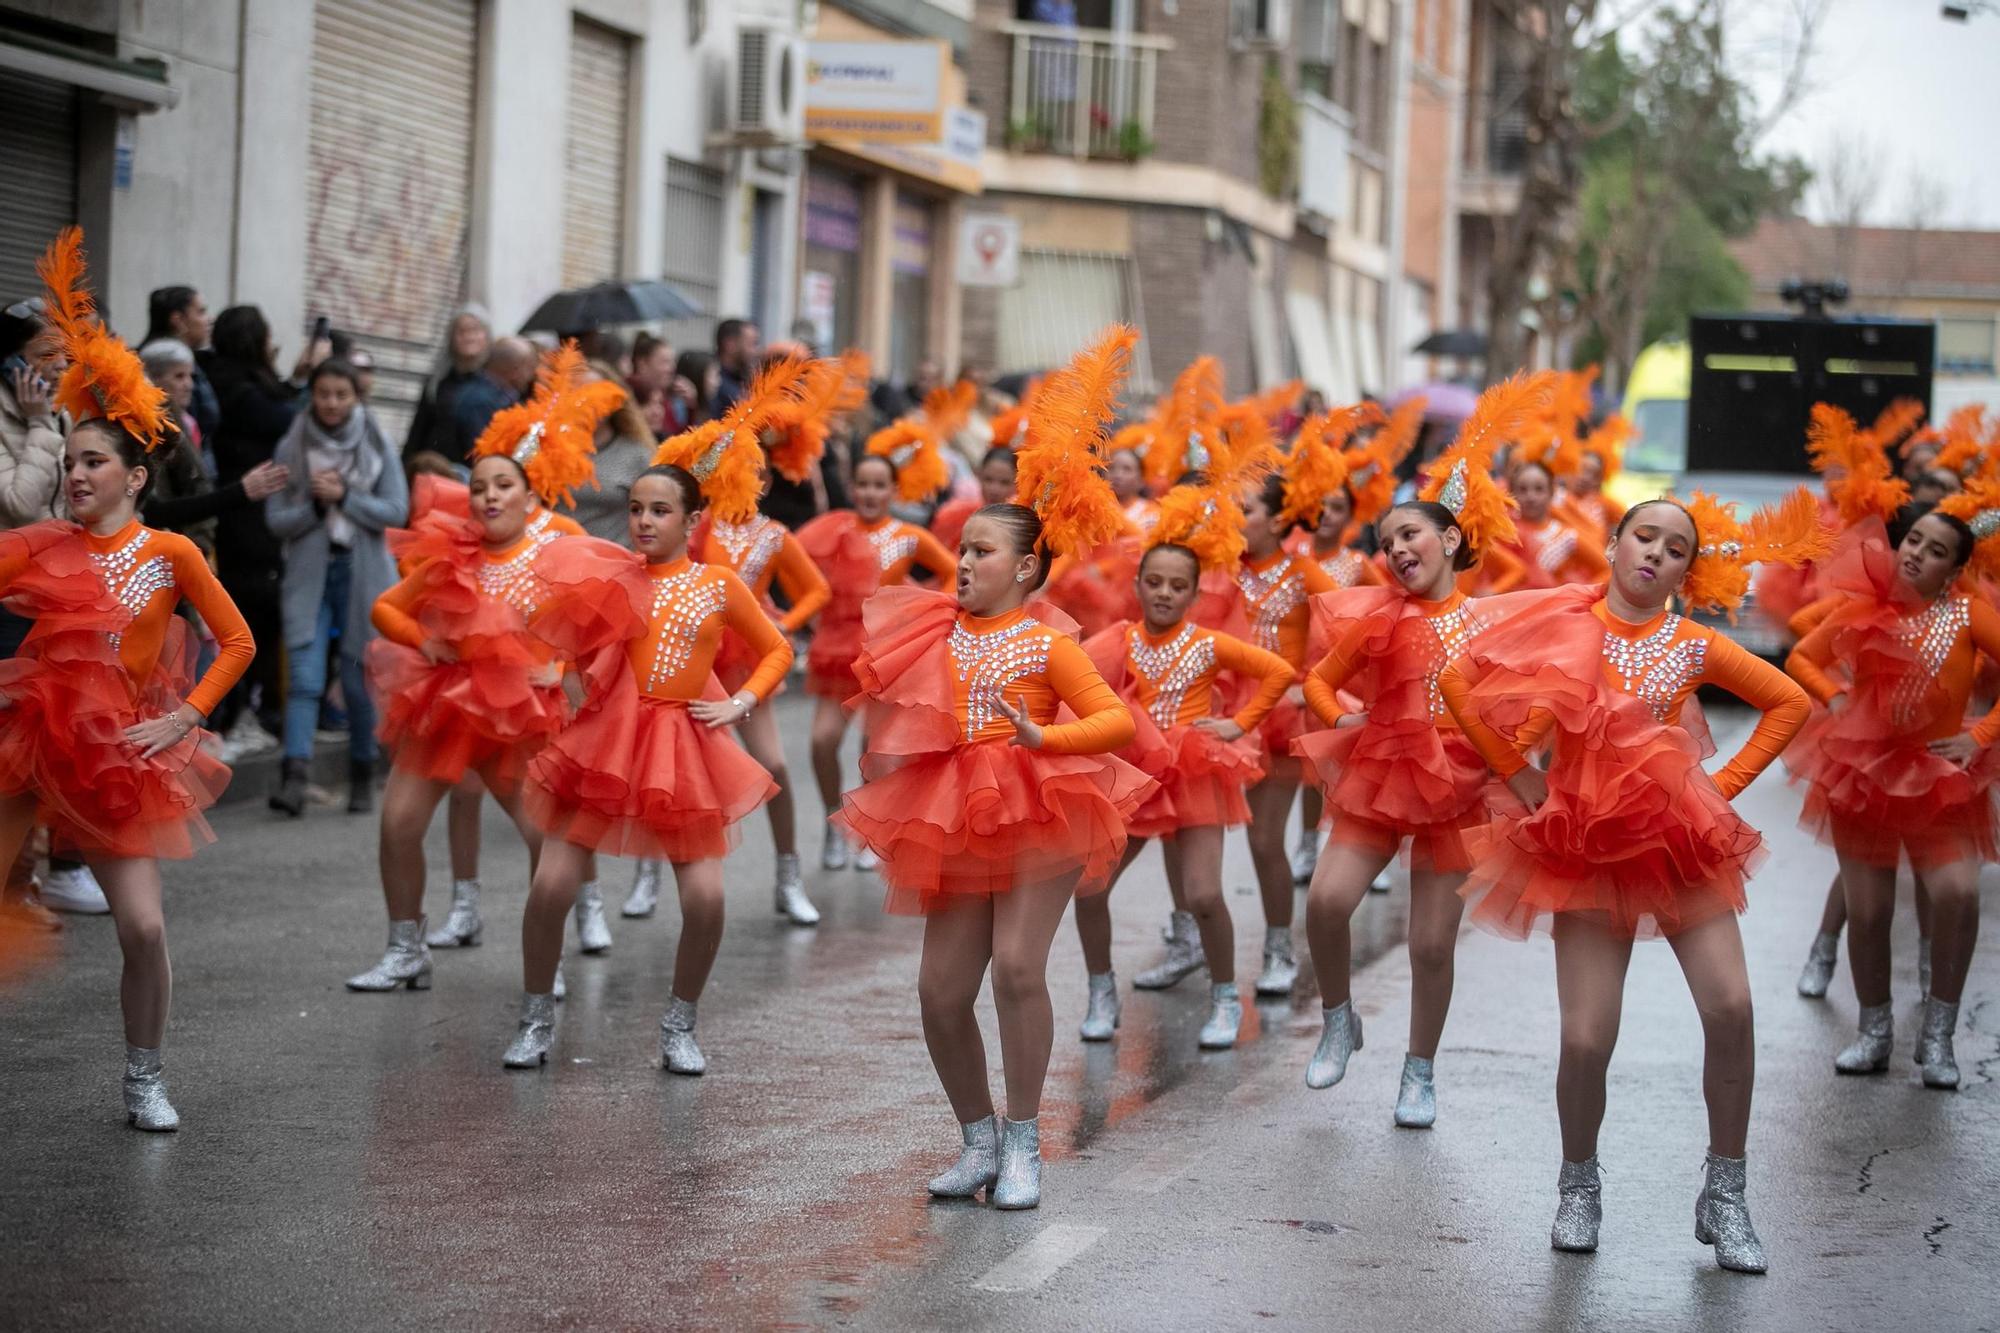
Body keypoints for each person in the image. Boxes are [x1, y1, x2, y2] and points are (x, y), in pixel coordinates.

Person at [1439, 488, 1823, 1273]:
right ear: (1613, 545)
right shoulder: (1565, 630)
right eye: (1643, 536)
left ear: (1686, 570)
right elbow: (1458, 681)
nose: (1654, 552)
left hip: (1681, 842)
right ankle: (1579, 1184)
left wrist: (1721, 786)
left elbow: (1790, 699)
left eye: (1674, 547)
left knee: (1733, 1006)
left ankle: (1726, 1193)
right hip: (1582, 846)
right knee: (1586, 1036)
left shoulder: (1690, 642)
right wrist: (1518, 774)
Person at [835, 327, 1150, 1209]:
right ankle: (975, 1137)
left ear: (1027, 565)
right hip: (952, 808)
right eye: (962, 547)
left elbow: (1116, 719)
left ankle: (1024, 1144)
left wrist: (1044, 741)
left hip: (1042, 801)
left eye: (981, 551)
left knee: (1017, 969)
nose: (962, 562)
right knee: (939, 990)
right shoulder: (934, 623)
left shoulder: (1049, 636)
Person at [0, 228, 254, 1130]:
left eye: (90, 462)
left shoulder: (172, 550)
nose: (73, 474)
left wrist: (183, 717)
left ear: (135, 476)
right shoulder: (38, 543)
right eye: (68, 462)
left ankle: (144, 1077)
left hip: (114, 755)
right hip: (28, 745)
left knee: (143, 929)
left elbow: (237, 642)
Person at [1290, 376, 1540, 1124]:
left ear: (1452, 539)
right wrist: (1351, 716)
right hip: (1382, 772)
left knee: (1431, 943)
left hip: (1460, 787)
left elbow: (1532, 702)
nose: (1397, 549)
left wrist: (1515, 761)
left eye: (1410, 534)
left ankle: (1419, 1070)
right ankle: (1340, 1016)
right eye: (1388, 540)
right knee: (1327, 901)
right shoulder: (1373, 615)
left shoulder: (1493, 620)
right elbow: (1317, 683)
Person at [346, 342, 630, 997]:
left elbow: (604, 623)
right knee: (398, 824)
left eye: (502, 485)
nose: (488, 495)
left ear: (529, 493)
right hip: (447, 703)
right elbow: (388, 608)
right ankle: (405, 949)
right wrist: (428, 642)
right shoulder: (452, 551)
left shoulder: (556, 546)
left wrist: (560, 668)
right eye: (478, 486)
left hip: (521, 712)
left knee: (544, 840)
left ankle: (546, 958)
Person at [509, 443, 793, 1073]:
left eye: (660, 510)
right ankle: (534, 1017)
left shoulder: (718, 585)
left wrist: (739, 702)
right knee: (551, 885)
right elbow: (569, 643)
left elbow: (777, 649)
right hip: (605, 745)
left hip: (684, 751)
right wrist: (566, 677)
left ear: (692, 522)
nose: (643, 521)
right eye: (636, 508)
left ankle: (680, 1024)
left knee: (705, 900)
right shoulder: (615, 576)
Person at [1785, 489, 2000, 1090]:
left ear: (1955, 570)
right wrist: (1835, 697)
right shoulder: (1866, 603)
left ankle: (1938, 1037)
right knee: (1871, 910)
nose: (1916, 556)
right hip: (1865, 774)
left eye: (1935, 552)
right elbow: (1802, 654)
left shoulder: (1966, 613)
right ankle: (1874, 1032)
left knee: (1958, 893)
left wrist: (1980, 735)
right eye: (1913, 541)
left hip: (1940, 775)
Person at [1074, 472, 1293, 1050]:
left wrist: (1238, 725)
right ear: (1139, 586)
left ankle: (1225, 996)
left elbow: (1277, 672)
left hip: (1195, 771)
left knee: (1202, 894)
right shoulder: (1118, 638)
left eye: (1177, 586)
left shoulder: (1206, 643)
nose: (1165, 593)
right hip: (1135, 773)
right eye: (1154, 582)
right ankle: (1101, 990)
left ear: (1195, 595)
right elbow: (1069, 674)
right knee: (1090, 885)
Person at [647, 358, 835, 926]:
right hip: (691, 655)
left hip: (748, 658)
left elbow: (817, 590)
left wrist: (782, 622)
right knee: (667, 772)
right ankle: (647, 874)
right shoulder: (691, 529)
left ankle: (788, 874)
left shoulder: (772, 534)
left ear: (764, 479)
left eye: (749, 472)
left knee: (773, 763)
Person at [797, 434, 957, 870]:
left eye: (878, 485)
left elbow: (953, 573)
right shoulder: (831, 528)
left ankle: (866, 828)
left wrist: (925, 613)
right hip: (836, 650)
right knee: (822, 741)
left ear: (892, 490)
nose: (869, 493)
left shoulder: (908, 537)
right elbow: (794, 563)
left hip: (887, 657)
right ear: (852, 488)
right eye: (862, 484)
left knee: (874, 750)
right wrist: (809, 614)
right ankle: (834, 824)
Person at [265, 359, 408, 816]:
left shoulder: (375, 441)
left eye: (340, 395)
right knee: (305, 679)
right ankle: (295, 777)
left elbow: (396, 510)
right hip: (311, 576)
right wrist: (316, 505)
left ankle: (363, 770)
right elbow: (276, 519)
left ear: (355, 397)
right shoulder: (291, 444)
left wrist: (347, 498)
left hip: (362, 573)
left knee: (356, 680)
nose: (331, 403)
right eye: (323, 393)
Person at [207, 304, 323, 749]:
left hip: (251, 511)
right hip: (247, 515)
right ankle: (239, 712)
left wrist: (295, 378)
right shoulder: (235, 388)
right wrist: (304, 384)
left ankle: (246, 710)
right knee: (251, 614)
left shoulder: (231, 381)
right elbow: (288, 419)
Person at [564, 360, 657, 542]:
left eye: (595, 394)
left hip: (614, 562)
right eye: (577, 393)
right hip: (554, 562)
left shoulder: (637, 455)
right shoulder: (548, 450)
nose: (586, 402)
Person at [404, 305, 492, 463]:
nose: (469, 337)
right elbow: (417, 434)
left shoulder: (496, 383)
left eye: (475, 330)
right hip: (436, 472)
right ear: (451, 338)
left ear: (487, 337)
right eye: (462, 331)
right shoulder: (438, 384)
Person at [143, 286, 219, 444]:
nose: (209, 319)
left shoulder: (195, 360)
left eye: (189, 376)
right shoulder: (153, 362)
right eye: (201, 312)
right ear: (178, 320)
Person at [447, 335, 536, 466]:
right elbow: (483, 456)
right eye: (529, 368)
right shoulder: (481, 402)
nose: (532, 375)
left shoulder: (497, 396)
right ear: (515, 369)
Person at [712, 318, 761, 416]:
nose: (756, 351)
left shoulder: (744, 377)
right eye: (752, 344)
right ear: (730, 344)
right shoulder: (713, 382)